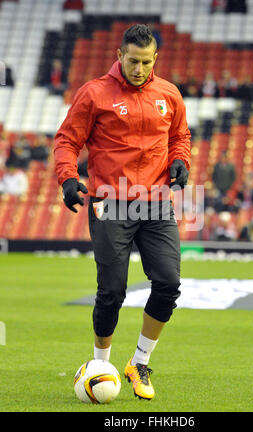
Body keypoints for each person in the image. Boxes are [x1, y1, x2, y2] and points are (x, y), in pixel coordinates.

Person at [53, 24, 191, 401]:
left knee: (168, 283)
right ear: (119, 55)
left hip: (156, 202)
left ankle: (139, 362)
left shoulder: (169, 93)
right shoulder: (95, 93)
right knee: (112, 291)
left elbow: (180, 135)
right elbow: (67, 139)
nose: (140, 69)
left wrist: (181, 159)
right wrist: (68, 177)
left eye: (147, 62)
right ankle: (100, 364)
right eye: (133, 61)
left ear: (155, 59)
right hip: (109, 202)